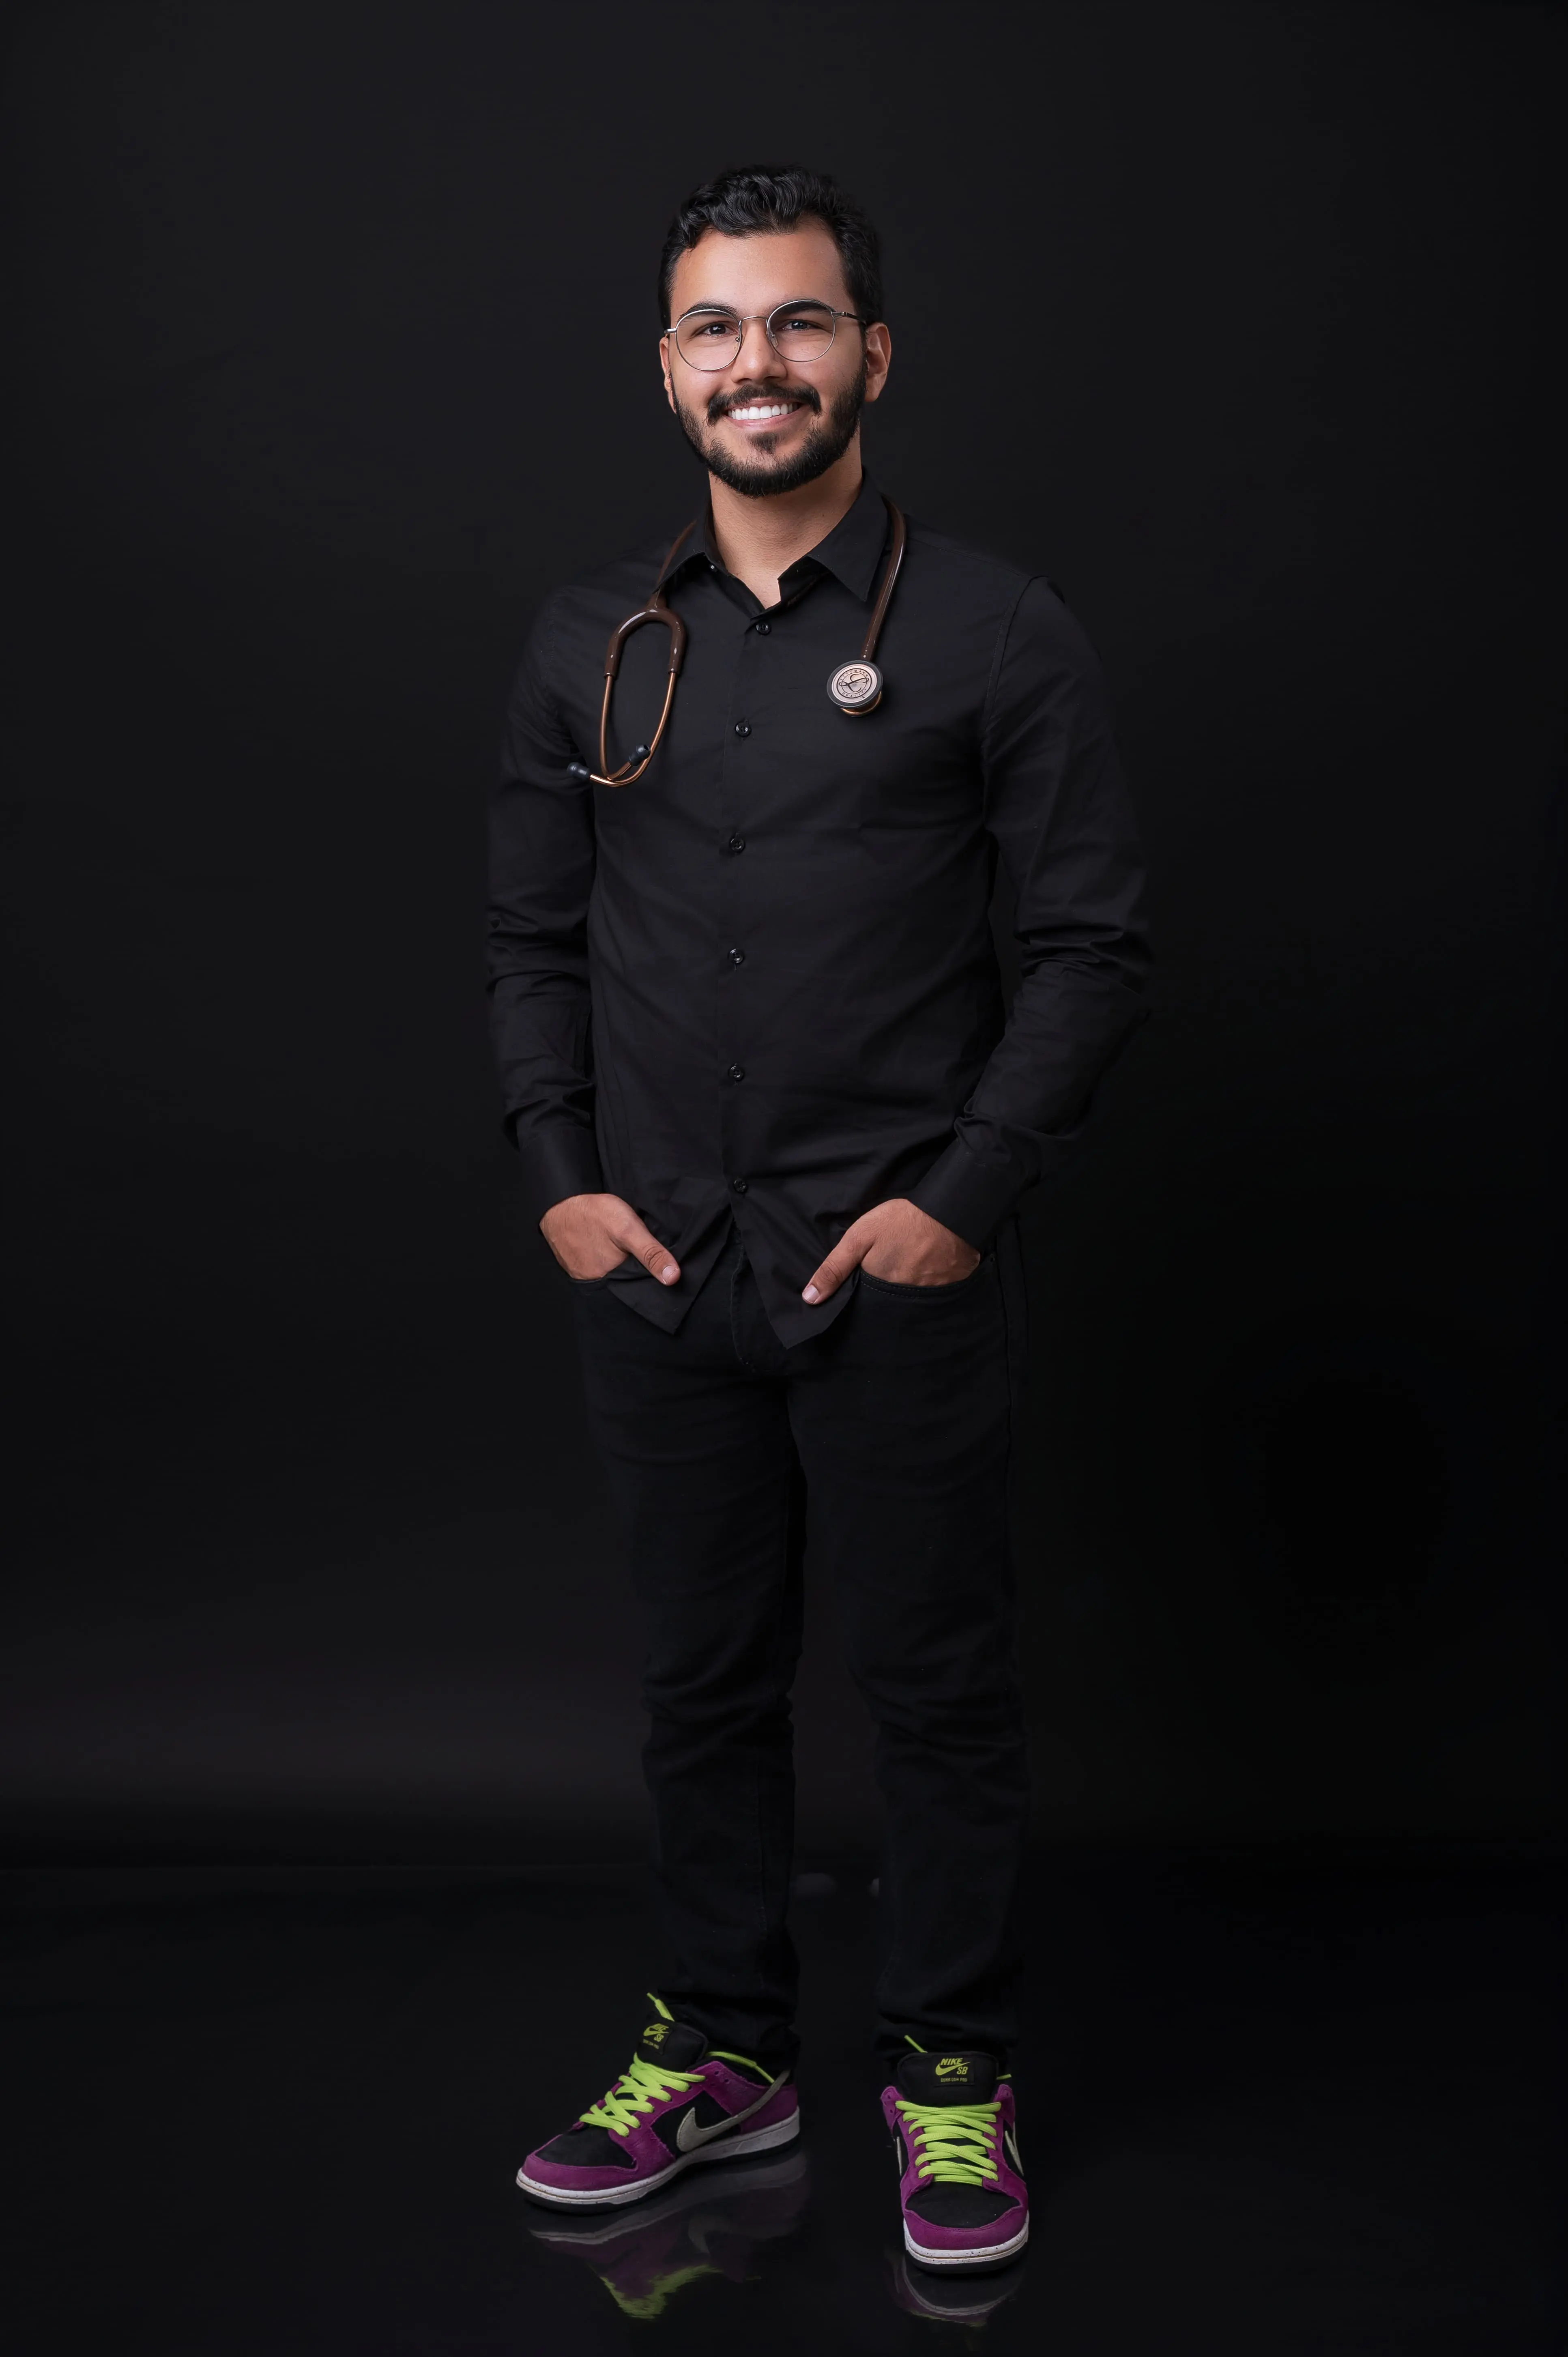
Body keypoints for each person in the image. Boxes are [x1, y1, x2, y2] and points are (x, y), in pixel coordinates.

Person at [489, 165, 1149, 2273]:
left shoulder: (994, 629)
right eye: (716, 325)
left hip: (897, 1275)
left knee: (937, 1695)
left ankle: (952, 2070)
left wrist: (963, 1199)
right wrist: (561, 1182)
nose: (754, 361)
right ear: (666, 365)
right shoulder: (591, 638)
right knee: (701, 1691)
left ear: (872, 354)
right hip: (658, 1272)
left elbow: (1088, 951)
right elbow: (531, 941)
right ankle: (725, 2051)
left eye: (796, 322)